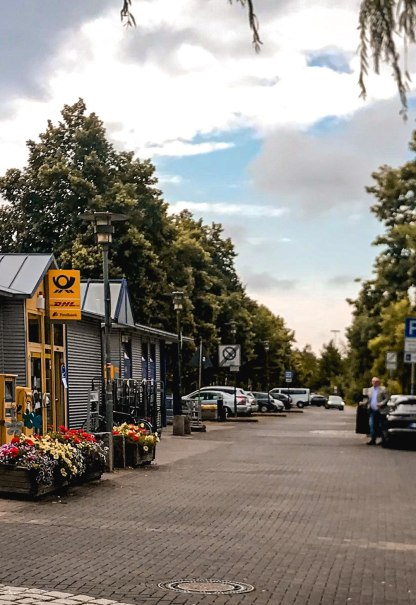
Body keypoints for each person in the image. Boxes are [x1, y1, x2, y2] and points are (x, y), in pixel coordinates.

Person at [366, 376, 389, 445]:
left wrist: (381, 403)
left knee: (382, 425)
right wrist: (364, 403)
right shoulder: (370, 390)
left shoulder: (383, 389)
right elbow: (369, 399)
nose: (374, 383)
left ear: (379, 382)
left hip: (381, 410)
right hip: (372, 410)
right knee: (372, 425)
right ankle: (373, 439)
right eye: (373, 381)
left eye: (376, 381)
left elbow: (387, 398)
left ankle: (383, 440)